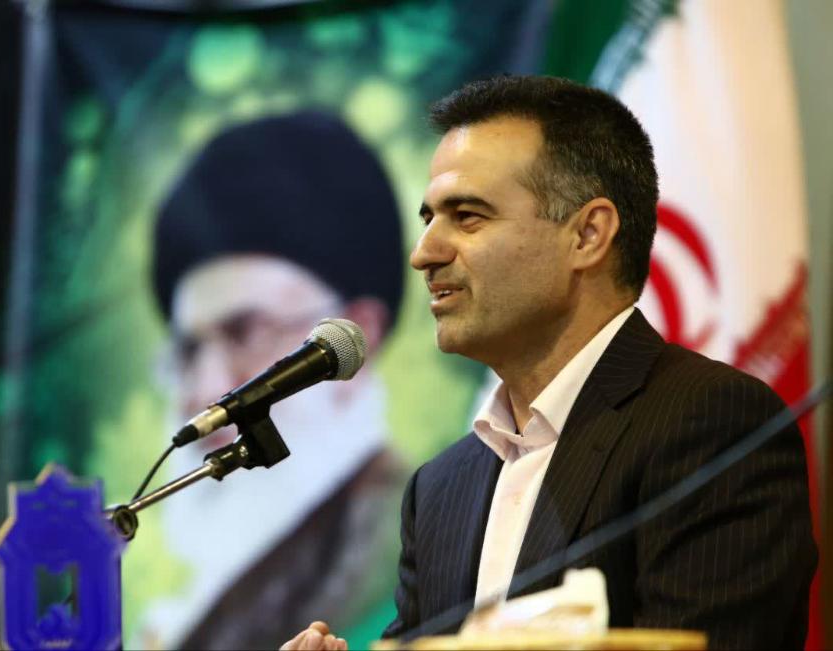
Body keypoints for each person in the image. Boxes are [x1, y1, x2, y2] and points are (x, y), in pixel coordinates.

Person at [283, 76, 816, 651]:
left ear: (587, 234)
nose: (424, 253)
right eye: (429, 218)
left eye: (467, 216)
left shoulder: (712, 426)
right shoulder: (439, 488)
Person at [135, 111, 408, 650]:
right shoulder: (207, 600)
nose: (204, 389)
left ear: (356, 339)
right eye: (188, 351)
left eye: (246, 331)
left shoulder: (414, 545)